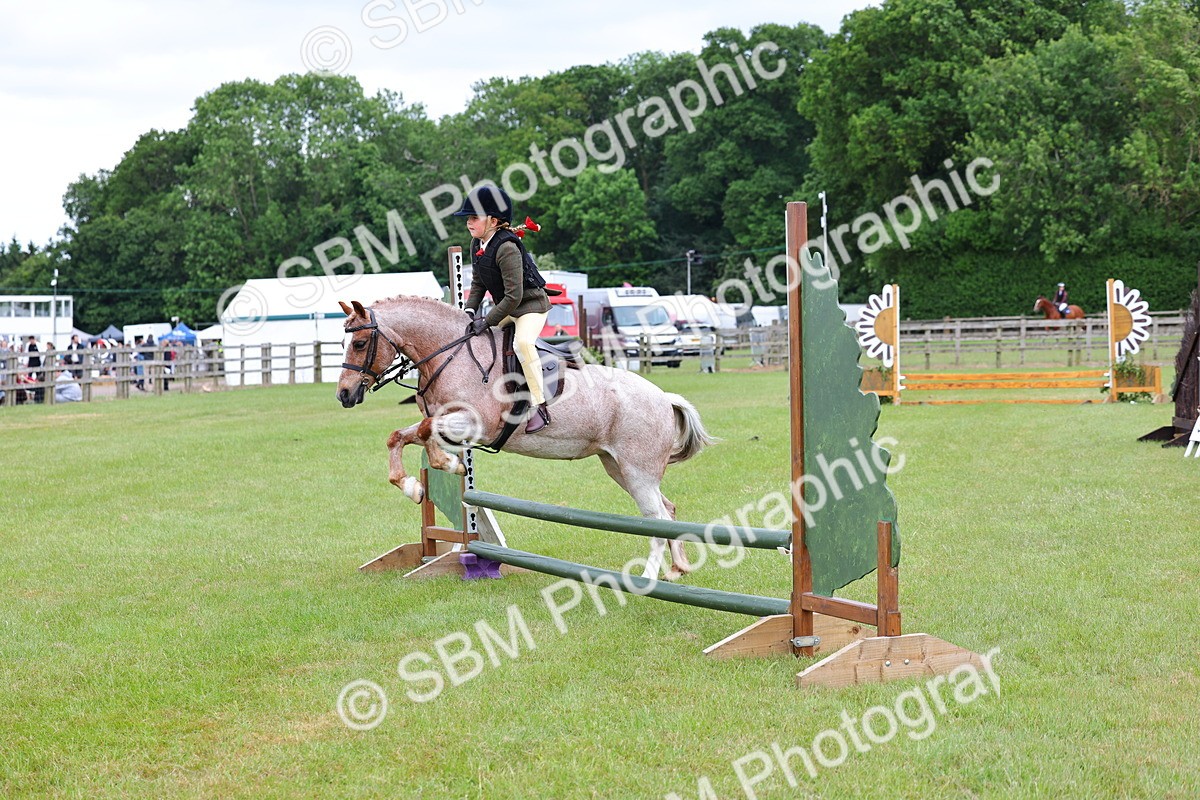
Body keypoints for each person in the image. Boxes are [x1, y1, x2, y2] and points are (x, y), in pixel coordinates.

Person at [453, 186, 553, 432]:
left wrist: (486, 320)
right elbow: (478, 283)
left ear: (493, 221)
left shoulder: (507, 247)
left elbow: (514, 296)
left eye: (474, 217)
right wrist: (468, 311)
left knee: (523, 344)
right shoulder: (477, 242)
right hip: (509, 306)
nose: (469, 222)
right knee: (475, 339)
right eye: (468, 218)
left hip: (530, 306)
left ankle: (540, 406)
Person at [25, 335, 43, 403]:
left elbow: (41, 354)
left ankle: (38, 392)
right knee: (29, 377)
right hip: (31, 363)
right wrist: (26, 362)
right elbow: (26, 354)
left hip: (37, 363)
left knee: (39, 378)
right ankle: (29, 394)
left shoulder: (38, 345)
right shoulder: (28, 346)